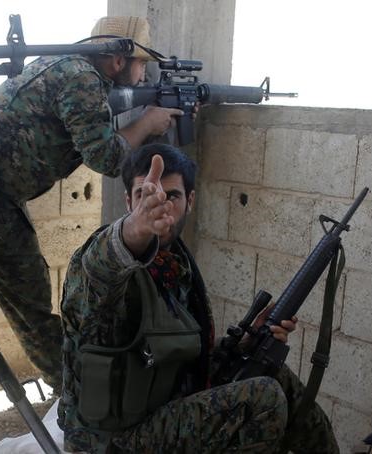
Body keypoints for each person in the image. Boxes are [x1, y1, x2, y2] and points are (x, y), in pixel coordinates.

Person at [0, 16, 184, 447]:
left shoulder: (71, 71)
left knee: (32, 303)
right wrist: (149, 124)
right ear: (118, 59)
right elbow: (104, 156)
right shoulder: (79, 75)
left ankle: (73, 391)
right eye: (141, 65)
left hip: (1, 201)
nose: (144, 74)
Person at [58, 143, 339, 453]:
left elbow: (180, 364)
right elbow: (99, 267)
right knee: (263, 398)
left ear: (190, 201)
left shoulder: (177, 266)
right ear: (128, 202)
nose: (159, 206)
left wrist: (243, 345)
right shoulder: (105, 261)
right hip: (111, 439)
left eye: (172, 196)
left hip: (160, 410)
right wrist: (134, 229)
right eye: (144, 195)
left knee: (272, 372)